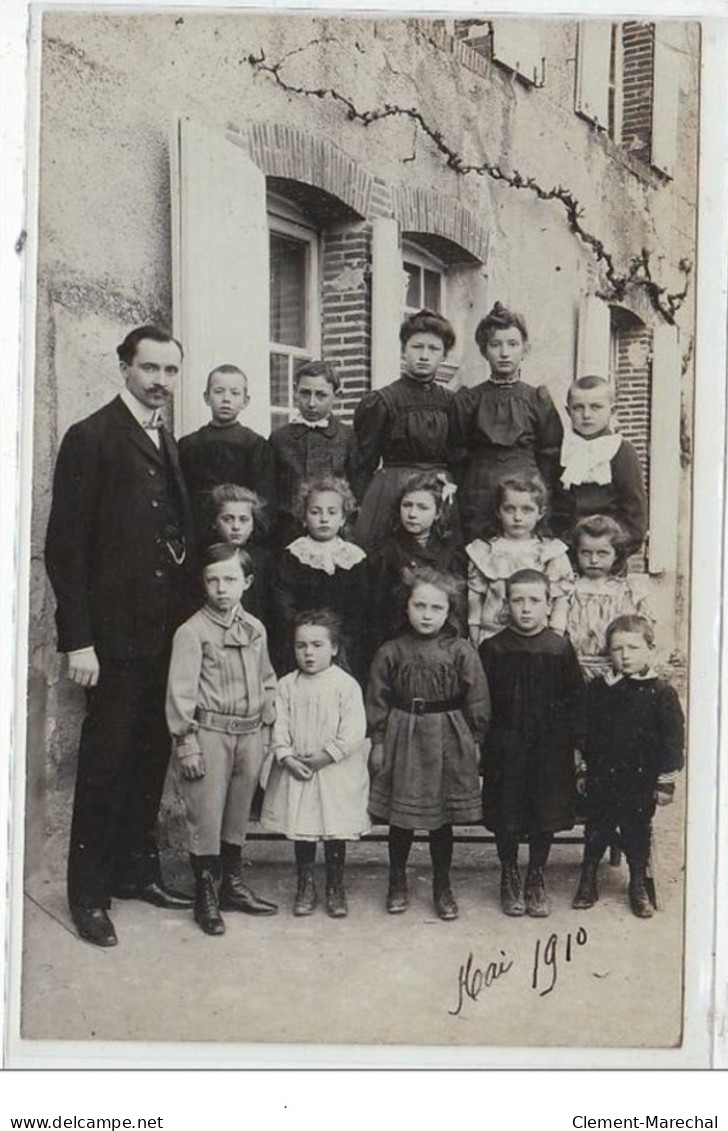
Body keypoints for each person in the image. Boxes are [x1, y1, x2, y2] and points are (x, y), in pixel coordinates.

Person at [44, 325, 197, 947]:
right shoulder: (92, 437)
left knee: (148, 758)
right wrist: (77, 639)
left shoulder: (166, 437)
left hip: (163, 635)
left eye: (170, 371)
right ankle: (88, 895)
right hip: (110, 641)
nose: (161, 381)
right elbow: (65, 549)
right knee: (105, 764)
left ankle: (136, 872)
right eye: (150, 368)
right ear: (124, 367)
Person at [165, 543, 279, 935]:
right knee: (206, 814)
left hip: (249, 734)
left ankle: (232, 884)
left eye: (230, 579)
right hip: (210, 735)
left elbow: (267, 679)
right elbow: (181, 694)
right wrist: (187, 743)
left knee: (236, 814)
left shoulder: (255, 628)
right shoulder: (192, 632)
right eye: (212, 580)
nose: (221, 588)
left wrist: (266, 724)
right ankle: (206, 894)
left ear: (247, 582)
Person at [366, 566, 491, 921]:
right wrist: (377, 740)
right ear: (406, 607)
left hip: (448, 736)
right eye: (419, 606)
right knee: (401, 819)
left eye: (436, 608)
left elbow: (478, 699)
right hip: (403, 733)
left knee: (441, 820)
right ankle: (397, 881)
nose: (426, 614)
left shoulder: (461, 651)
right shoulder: (391, 651)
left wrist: (475, 739)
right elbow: (376, 698)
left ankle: (442, 885)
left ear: (449, 612)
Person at [479, 569, 585, 918]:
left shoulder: (559, 647)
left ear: (548, 604)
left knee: (545, 810)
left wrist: (575, 744)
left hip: (549, 746)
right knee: (506, 809)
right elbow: (482, 701)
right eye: (517, 600)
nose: (526, 609)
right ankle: (508, 872)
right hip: (505, 745)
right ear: (506, 603)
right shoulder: (493, 648)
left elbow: (574, 698)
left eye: (534, 601)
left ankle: (536, 874)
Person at [572, 614, 684, 918]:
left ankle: (637, 883)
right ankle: (588, 878)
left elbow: (673, 740)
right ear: (609, 652)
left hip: (640, 779)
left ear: (649, 649)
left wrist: (665, 781)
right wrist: (583, 768)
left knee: (636, 830)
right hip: (602, 777)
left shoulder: (661, 693)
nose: (625, 655)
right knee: (597, 827)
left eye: (633, 648)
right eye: (618, 649)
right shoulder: (598, 689)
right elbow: (584, 731)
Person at [261, 611, 371, 918]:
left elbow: (353, 731)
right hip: (298, 770)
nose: (308, 653)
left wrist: (326, 755)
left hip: (334, 770)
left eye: (317, 645)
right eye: (301, 646)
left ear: (334, 648)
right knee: (304, 827)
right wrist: (286, 757)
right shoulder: (286, 685)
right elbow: (278, 727)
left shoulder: (345, 685)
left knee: (334, 828)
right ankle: (305, 885)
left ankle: (335, 886)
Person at [453, 302, 564, 542]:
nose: (504, 353)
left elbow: (551, 454)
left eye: (512, 344)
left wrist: (540, 493)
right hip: (479, 491)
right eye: (495, 345)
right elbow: (457, 453)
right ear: (484, 351)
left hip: (526, 493)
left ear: (525, 349)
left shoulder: (537, 399)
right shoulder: (469, 400)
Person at [353, 310, 460, 552]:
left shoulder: (453, 403)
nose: (424, 356)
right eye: (416, 347)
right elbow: (363, 463)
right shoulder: (381, 401)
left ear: (443, 355)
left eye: (433, 349)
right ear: (404, 350)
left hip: (440, 490)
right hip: (391, 492)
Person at [271, 476, 369, 681]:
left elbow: (359, 607)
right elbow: (283, 600)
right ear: (304, 518)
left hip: (342, 646)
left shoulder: (354, 558)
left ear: (343, 518)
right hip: (302, 642)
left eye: (332, 512)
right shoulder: (294, 554)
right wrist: (305, 633)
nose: (324, 519)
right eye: (315, 512)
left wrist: (338, 641)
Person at [466, 473, 573, 646]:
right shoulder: (484, 551)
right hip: (493, 639)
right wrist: (476, 640)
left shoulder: (551, 552)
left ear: (540, 513)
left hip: (538, 641)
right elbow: (475, 601)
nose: (517, 517)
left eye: (527, 509)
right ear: (498, 511)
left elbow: (560, 603)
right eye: (509, 509)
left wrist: (555, 638)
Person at [268, 360, 366, 548]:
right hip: (288, 536)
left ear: (336, 396)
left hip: (335, 536)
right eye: (305, 393)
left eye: (321, 395)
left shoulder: (347, 438)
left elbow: (358, 489)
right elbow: (271, 493)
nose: (312, 403)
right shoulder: (279, 439)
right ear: (295, 391)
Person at [368, 471, 466, 654]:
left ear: (438, 513)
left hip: (441, 642)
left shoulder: (451, 554)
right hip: (399, 639)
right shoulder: (387, 553)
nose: (412, 514)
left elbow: (459, 607)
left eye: (422, 507)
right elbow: (377, 610)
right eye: (407, 505)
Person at [553, 374, 648, 557]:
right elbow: (551, 505)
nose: (586, 415)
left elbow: (635, 512)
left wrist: (615, 552)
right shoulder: (562, 450)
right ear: (568, 411)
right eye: (578, 408)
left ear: (612, 411)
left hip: (608, 554)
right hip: (566, 553)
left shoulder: (621, 451)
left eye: (595, 407)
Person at [178, 363, 274, 544]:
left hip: (239, 532)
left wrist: (252, 535)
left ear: (245, 401)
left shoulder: (254, 444)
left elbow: (264, 498)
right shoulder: (189, 444)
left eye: (235, 393)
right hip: (196, 532)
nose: (226, 399)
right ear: (207, 397)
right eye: (219, 391)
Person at [566, 514, 653, 681]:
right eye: (586, 553)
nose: (593, 560)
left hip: (618, 672)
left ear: (616, 554)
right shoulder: (568, 589)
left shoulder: (628, 591)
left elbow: (642, 634)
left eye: (602, 553)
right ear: (576, 552)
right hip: (574, 672)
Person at [208, 484, 272, 626]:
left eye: (243, 520)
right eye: (228, 519)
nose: (236, 526)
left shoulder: (264, 560)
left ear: (253, 524)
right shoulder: (207, 557)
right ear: (214, 522)